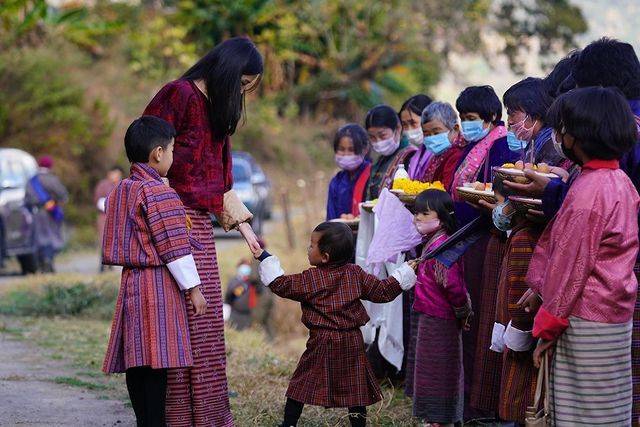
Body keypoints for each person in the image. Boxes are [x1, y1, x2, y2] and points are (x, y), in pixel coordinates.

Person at [509, 39, 640, 424]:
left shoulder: (588, 192)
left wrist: (549, 316)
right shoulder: (618, 182)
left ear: (578, 136)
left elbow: (572, 261)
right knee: (611, 403)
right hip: (614, 310)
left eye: (561, 129)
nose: (558, 137)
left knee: (579, 406)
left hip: (583, 313)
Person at [143, 36, 263, 426]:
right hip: (169, 228)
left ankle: (208, 417)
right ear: (227, 71)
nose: (242, 93)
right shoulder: (177, 94)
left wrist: (246, 229)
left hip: (202, 233)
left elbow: (222, 183)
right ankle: (176, 418)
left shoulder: (217, 112)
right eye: (242, 84)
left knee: (207, 326)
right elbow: (147, 153)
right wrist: (161, 207)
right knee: (178, 326)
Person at [253, 221, 417, 427]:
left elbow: (281, 285)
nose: (308, 248)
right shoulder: (355, 274)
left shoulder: (310, 279)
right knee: (355, 387)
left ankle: (289, 423)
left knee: (302, 382)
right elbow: (382, 291)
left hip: (322, 341)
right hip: (351, 339)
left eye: (312, 245)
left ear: (325, 257)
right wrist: (404, 274)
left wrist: (265, 258)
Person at [102, 116, 208, 426]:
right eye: (173, 150)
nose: (173, 157)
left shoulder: (121, 190)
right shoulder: (160, 193)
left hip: (131, 284)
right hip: (157, 286)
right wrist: (194, 289)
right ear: (158, 153)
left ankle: (143, 422)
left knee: (137, 361)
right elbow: (174, 247)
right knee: (156, 362)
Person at [447, 86, 516, 420]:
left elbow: (499, 194)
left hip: (486, 237)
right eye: (462, 118)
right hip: (467, 238)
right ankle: (468, 400)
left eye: (471, 118)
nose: (466, 124)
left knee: (482, 319)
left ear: (491, 117)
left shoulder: (501, 145)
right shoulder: (471, 146)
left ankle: (480, 404)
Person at [407, 189, 471, 426]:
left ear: (442, 217)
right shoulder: (432, 243)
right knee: (430, 370)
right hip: (428, 316)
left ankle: (440, 419)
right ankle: (433, 417)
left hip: (441, 320)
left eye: (424, 213)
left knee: (440, 371)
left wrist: (463, 310)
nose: (418, 218)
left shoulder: (444, 247)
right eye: (416, 213)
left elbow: (453, 286)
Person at [490, 177, 543, 424]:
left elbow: (520, 294)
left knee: (521, 398)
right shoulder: (524, 233)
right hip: (518, 329)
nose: (498, 211)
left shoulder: (524, 238)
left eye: (500, 203)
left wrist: (519, 330)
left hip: (521, 333)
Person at [503, 77, 565, 167]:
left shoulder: (552, 144)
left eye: (512, 114)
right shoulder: (534, 141)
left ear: (536, 113)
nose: (509, 121)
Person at [25, 155, 68, 273]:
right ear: (50, 165)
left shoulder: (31, 181)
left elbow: (27, 200)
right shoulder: (53, 179)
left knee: (40, 239)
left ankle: (43, 262)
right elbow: (63, 195)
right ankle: (49, 261)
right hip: (52, 213)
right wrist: (53, 203)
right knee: (53, 237)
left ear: (39, 165)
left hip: (37, 213)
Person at [364, 104, 417, 200]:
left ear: (398, 128)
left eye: (382, 135)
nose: (378, 141)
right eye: (372, 137)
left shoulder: (411, 156)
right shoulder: (381, 160)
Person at [326, 124, 371, 220]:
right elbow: (330, 219)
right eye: (341, 149)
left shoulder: (373, 176)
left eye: (351, 150)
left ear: (365, 149)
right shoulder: (336, 181)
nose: (346, 154)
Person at [418, 101, 467, 188]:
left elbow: (445, 190)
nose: (431, 138)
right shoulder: (438, 155)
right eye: (426, 134)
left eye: (436, 133)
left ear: (455, 129)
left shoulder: (458, 154)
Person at [94, 165, 123, 272]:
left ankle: (111, 263)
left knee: (115, 241)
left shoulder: (122, 184)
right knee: (104, 240)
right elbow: (98, 200)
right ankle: (102, 265)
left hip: (119, 217)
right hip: (104, 216)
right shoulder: (103, 185)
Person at [223, 259, 258, 330]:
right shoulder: (234, 281)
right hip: (235, 314)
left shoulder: (252, 282)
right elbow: (229, 297)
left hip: (248, 315)